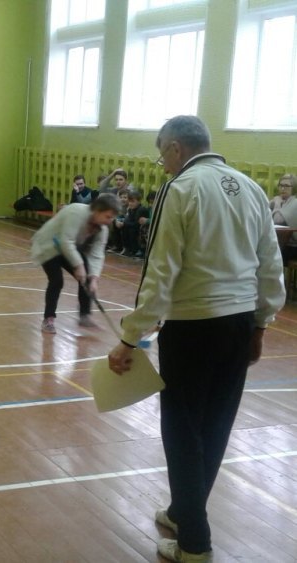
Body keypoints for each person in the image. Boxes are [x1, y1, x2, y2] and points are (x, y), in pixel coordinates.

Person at [107, 116, 285, 563]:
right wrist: (261, 324)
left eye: (161, 155)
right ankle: (182, 510)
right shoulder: (251, 187)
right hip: (240, 322)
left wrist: (130, 337)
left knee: (182, 431)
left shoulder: (181, 188)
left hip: (193, 327)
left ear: (174, 149)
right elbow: (270, 264)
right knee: (215, 425)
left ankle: (194, 544)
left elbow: (160, 270)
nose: (162, 165)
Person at [30, 193, 121, 333]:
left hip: (68, 247)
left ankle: (85, 316)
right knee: (56, 281)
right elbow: (66, 241)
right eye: (107, 216)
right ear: (97, 210)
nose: (109, 221)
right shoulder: (76, 212)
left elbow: (97, 254)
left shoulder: (102, 228)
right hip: (49, 246)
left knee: (88, 279)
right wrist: (78, 266)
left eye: (112, 218)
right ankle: (48, 319)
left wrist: (94, 278)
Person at [120, 189, 149, 257]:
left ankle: (135, 249)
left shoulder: (141, 209)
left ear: (139, 201)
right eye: (129, 202)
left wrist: (125, 223)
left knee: (131, 230)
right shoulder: (131, 209)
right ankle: (126, 248)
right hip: (134, 226)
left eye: (133, 202)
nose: (130, 203)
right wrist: (123, 223)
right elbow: (128, 220)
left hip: (141, 228)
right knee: (124, 227)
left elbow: (136, 224)